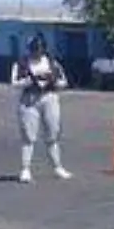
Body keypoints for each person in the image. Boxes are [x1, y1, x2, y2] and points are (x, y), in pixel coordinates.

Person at [11, 35, 72, 183]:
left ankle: (57, 167)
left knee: (52, 133)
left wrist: (53, 81)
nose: (37, 53)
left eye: (40, 50)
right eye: (35, 50)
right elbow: (14, 83)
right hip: (30, 99)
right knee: (28, 136)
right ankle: (25, 169)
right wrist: (29, 81)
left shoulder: (52, 63)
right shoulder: (21, 64)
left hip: (49, 97)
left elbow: (64, 82)